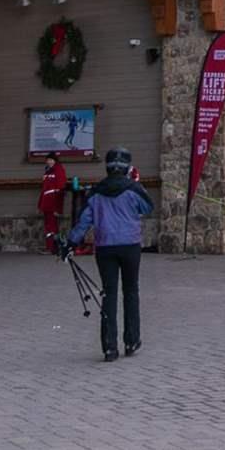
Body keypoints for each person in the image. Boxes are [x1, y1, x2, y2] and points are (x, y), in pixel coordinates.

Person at [71, 146, 155, 362]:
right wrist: (137, 184)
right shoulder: (132, 189)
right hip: (130, 245)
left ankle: (109, 346)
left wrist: (71, 242)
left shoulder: (97, 192)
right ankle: (132, 339)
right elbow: (148, 207)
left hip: (105, 247)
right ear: (127, 166)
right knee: (131, 291)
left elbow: (84, 221)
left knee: (109, 293)